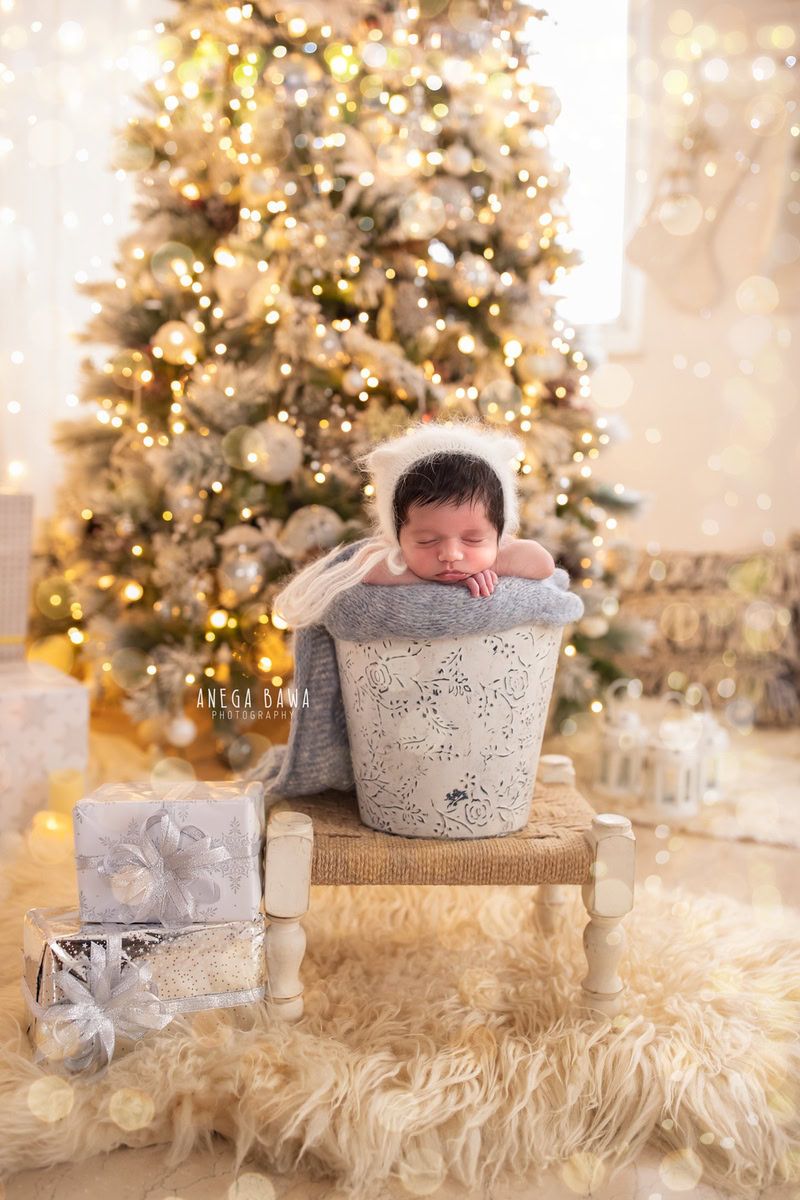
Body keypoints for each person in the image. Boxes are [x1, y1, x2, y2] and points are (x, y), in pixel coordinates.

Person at [272, 417, 555, 628]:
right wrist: (453, 583)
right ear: (398, 536)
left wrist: (489, 564)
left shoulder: (498, 545)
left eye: (472, 539)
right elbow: (366, 568)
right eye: (427, 541)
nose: (451, 555)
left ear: (498, 533)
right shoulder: (388, 556)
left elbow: (542, 563)